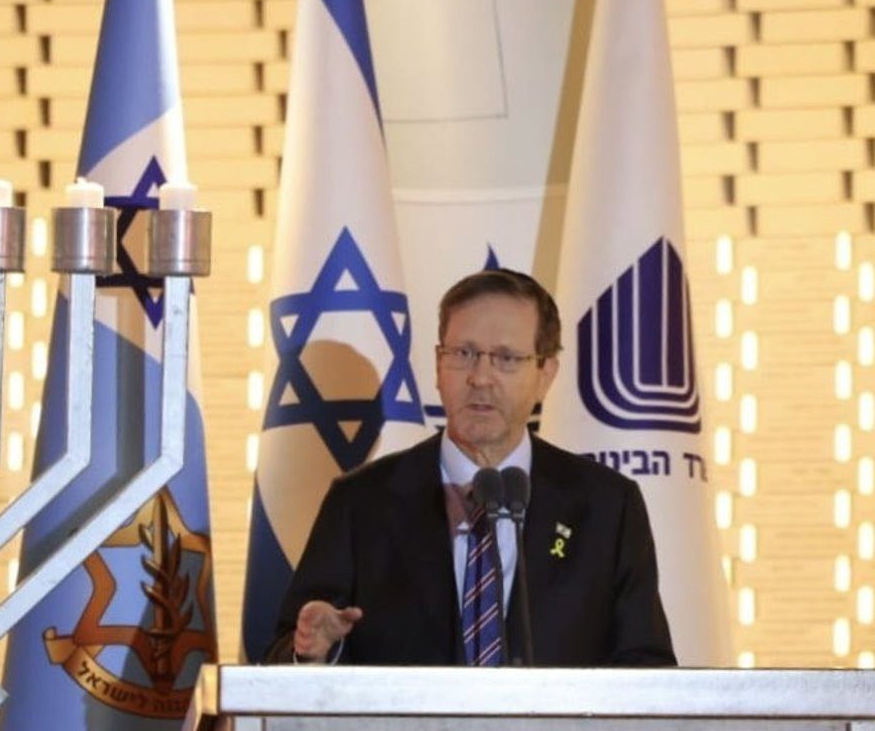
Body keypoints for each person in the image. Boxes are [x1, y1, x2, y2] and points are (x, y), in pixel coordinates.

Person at [266, 268, 675, 667]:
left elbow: (646, 665)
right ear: (438, 364)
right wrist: (316, 652)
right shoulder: (360, 503)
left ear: (545, 374)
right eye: (463, 354)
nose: (480, 378)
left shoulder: (606, 507)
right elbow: (282, 655)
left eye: (506, 358)